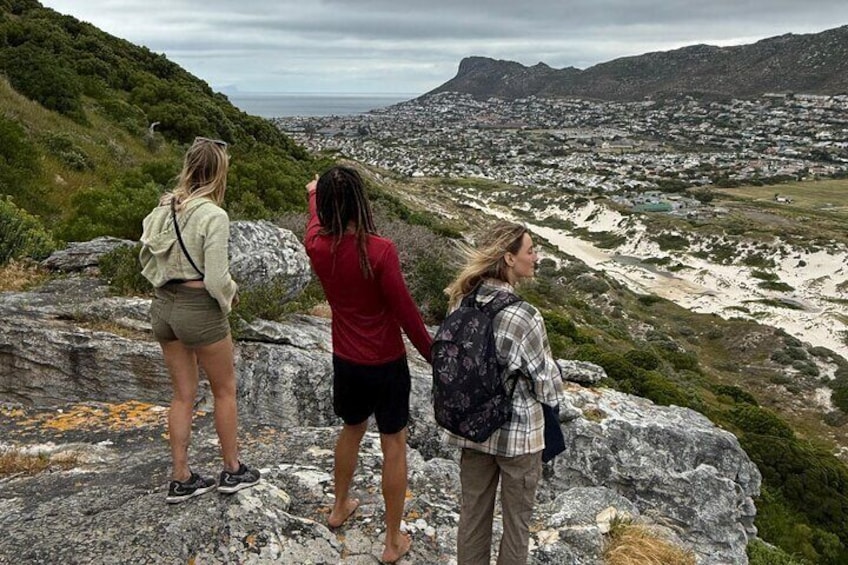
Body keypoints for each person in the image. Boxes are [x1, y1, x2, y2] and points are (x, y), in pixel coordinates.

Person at [304, 166, 432, 563]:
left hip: (346, 358)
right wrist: (435, 356)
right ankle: (392, 542)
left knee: (351, 429)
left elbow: (313, 218)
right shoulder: (379, 251)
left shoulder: (316, 245)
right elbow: (407, 313)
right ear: (361, 201)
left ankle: (339, 506)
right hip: (387, 362)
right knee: (394, 443)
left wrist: (313, 195)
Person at [139, 136, 260, 504]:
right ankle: (232, 469)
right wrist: (229, 297)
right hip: (198, 309)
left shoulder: (163, 208)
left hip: (163, 306)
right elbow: (216, 278)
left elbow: (146, 258)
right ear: (219, 173)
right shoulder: (213, 215)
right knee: (224, 390)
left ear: (188, 166)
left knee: (182, 395)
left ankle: (181, 477)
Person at [442, 221, 564, 565]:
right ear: (509, 259)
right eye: (530, 250)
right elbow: (547, 385)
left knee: (473, 517)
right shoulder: (524, 316)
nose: (536, 257)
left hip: (473, 428)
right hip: (518, 437)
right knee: (516, 526)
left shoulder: (460, 301)